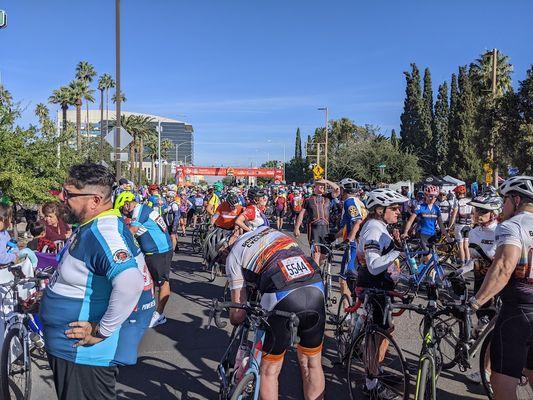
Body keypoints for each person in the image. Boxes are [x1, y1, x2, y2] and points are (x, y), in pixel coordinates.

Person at [39, 163, 154, 400]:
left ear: (94, 200)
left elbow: (130, 282)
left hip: (84, 357)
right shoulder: (92, 226)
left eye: (69, 194)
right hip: (72, 354)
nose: (62, 198)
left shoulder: (104, 232)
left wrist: (101, 331)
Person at [220, 226, 326, 400]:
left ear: (225, 248)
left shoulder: (233, 256)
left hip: (281, 293)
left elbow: (238, 315)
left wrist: (233, 314)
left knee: (269, 372)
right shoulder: (267, 230)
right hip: (314, 285)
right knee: (312, 365)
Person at [468, 176, 533, 399]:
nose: (501, 206)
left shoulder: (512, 225)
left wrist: (475, 302)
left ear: (516, 200)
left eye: (504, 200)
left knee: (501, 382)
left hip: (518, 312)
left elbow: (504, 268)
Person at [356, 188, 408, 399]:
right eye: (394, 208)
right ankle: (371, 383)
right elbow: (374, 265)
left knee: (386, 331)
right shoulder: (373, 230)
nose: (399, 212)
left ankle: (377, 371)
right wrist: (397, 251)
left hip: (381, 285)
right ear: (379, 209)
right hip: (372, 285)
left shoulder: (380, 226)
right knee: (376, 335)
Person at [457, 193, 503, 384]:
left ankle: (487, 371)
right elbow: (473, 261)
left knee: (495, 332)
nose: (477, 214)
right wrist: (459, 270)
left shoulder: (501, 231)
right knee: (483, 327)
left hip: (498, 287)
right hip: (480, 284)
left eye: (482, 211)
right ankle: (486, 369)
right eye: (476, 210)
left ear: (493, 213)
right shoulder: (475, 232)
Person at [116, 191, 173, 328]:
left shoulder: (140, 210)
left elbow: (131, 231)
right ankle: (149, 310)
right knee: (150, 281)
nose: (123, 213)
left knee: (162, 283)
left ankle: (159, 315)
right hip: (150, 252)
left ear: (127, 204)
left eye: (122, 209)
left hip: (160, 251)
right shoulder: (140, 210)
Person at [294, 179, 340, 265]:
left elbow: (337, 190)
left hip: (325, 229)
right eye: (320, 185)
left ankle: (317, 269)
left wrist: (326, 181)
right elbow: (301, 214)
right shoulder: (308, 199)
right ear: (315, 187)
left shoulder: (328, 197)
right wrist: (297, 228)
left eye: (324, 185)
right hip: (313, 228)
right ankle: (317, 276)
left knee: (323, 256)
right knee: (316, 253)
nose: (322, 186)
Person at [337, 178, 366, 306]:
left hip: (354, 245)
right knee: (358, 278)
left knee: (344, 280)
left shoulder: (349, 202)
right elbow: (346, 227)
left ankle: (348, 314)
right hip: (362, 243)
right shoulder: (358, 201)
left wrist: (349, 240)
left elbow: (357, 221)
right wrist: (334, 237)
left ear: (344, 190)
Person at [403, 185, 451, 255]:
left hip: (432, 234)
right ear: (426, 195)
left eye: (435, 196)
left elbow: (441, 224)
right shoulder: (420, 207)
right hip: (422, 234)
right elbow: (410, 221)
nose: (433, 198)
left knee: (432, 257)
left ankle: (422, 263)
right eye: (430, 196)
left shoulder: (436, 208)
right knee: (430, 256)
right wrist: (405, 232)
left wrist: (447, 236)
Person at [449, 184, 473, 264]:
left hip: (460, 226)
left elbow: (454, 214)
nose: (455, 195)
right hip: (468, 226)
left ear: (458, 194)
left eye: (455, 193)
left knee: (460, 246)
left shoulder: (457, 201)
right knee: (466, 246)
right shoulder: (470, 200)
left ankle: (462, 263)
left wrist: (450, 225)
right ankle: (468, 262)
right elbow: (473, 213)